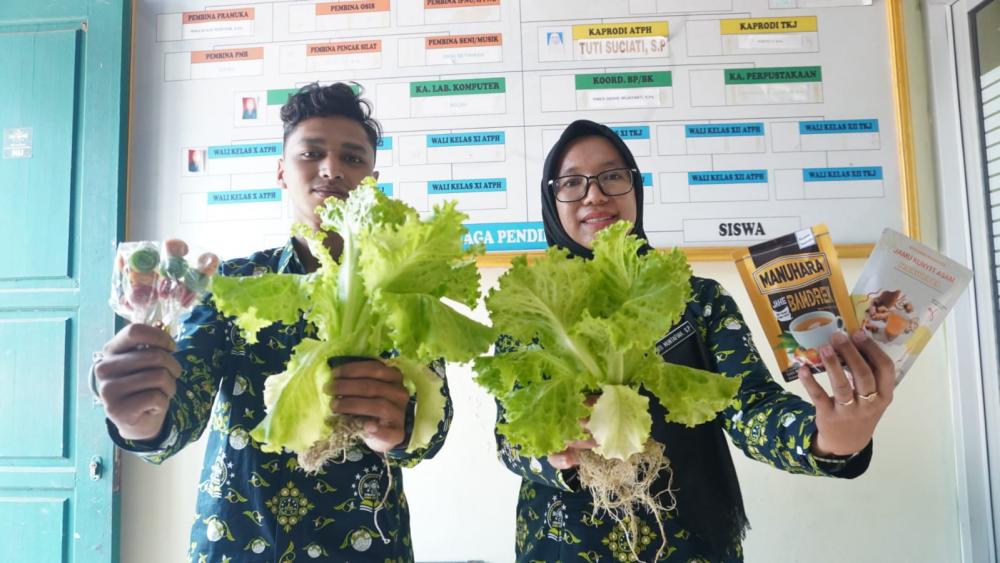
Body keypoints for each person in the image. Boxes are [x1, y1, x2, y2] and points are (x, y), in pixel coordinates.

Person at [495, 120, 895, 561]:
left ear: (635, 189)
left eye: (612, 176)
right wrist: (553, 451)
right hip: (562, 542)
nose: (594, 195)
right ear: (551, 201)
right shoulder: (532, 308)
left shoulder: (696, 300)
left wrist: (825, 438)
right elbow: (510, 437)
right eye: (572, 182)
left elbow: (750, 405)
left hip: (688, 542)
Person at [92, 82, 452, 561]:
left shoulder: (404, 287)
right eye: (311, 153)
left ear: (372, 179)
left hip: (364, 540)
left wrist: (399, 431)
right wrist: (141, 417)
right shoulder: (235, 283)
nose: (331, 168)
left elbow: (434, 423)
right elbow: (181, 408)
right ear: (282, 170)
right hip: (240, 538)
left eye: (352, 158)